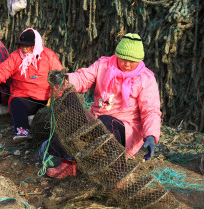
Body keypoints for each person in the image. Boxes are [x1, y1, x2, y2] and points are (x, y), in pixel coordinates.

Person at [45, 33, 162, 178]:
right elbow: (83, 78)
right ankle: (70, 163)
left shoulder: (145, 79)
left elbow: (151, 111)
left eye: (132, 61)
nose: (127, 64)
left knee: (107, 123)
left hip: (125, 127)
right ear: (117, 55)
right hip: (96, 119)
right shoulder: (104, 65)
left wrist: (151, 135)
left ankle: (117, 169)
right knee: (69, 106)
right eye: (123, 59)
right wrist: (65, 79)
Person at [0, 28, 63, 142]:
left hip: (46, 99)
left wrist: (54, 97)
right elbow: (1, 71)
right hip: (24, 97)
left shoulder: (49, 56)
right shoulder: (15, 56)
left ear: (36, 45)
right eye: (22, 45)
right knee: (16, 102)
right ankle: (22, 131)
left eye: (28, 46)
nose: (24, 49)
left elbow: (58, 78)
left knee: (61, 106)